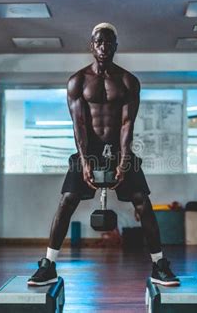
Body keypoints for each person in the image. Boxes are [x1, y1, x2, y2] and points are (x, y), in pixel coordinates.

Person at [28, 23, 180, 287]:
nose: (103, 47)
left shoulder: (127, 81)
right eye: (99, 42)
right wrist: (85, 161)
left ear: (115, 47)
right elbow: (80, 125)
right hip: (88, 149)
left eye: (109, 43)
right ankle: (48, 264)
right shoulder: (78, 81)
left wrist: (124, 160)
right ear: (91, 45)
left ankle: (159, 265)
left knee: (142, 201)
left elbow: (126, 124)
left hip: (121, 148)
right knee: (67, 201)